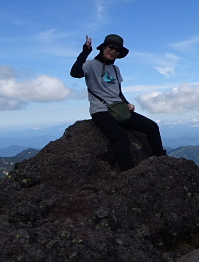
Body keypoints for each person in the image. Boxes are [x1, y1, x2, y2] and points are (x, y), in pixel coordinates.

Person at [71, 34, 166, 171]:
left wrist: (127, 103)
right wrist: (85, 53)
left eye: (117, 50)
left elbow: (118, 92)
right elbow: (75, 73)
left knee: (152, 127)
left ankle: (161, 158)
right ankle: (128, 172)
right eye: (111, 47)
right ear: (103, 47)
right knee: (121, 137)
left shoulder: (115, 69)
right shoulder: (90, 65)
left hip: (118, 108)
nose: (114, 51)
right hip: (100, 111)